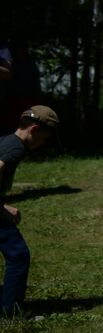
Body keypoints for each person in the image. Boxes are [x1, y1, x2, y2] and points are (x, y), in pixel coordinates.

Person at [0, 105, 58, 319]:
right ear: (33, 130)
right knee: (18, 254)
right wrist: (2, 211)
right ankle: (11, 312)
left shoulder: (6, 140)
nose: (43, 144)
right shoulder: (16, 148)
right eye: (44, 139)